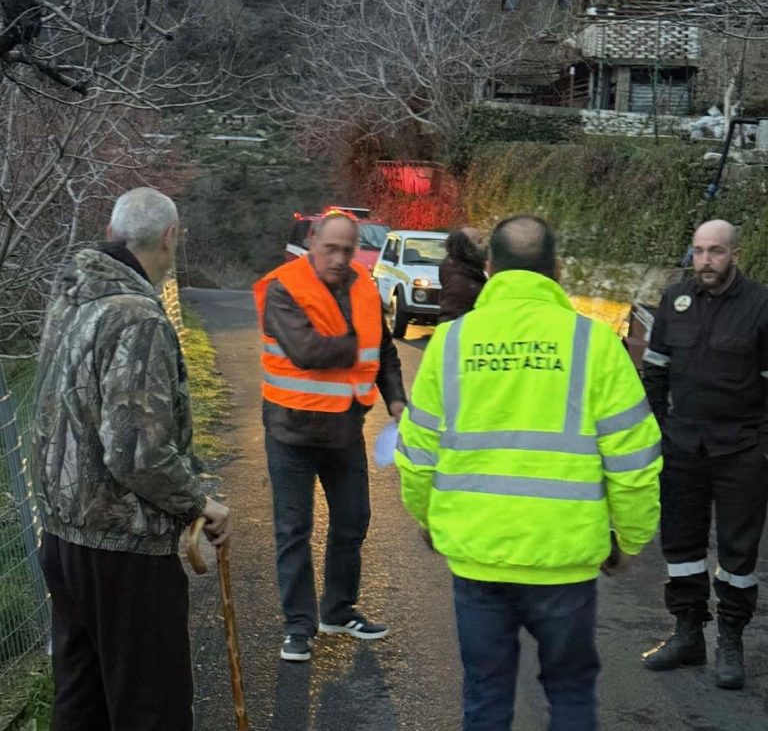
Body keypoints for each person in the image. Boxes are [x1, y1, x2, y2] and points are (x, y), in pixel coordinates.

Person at [396, 215, 662, 731]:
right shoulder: (596, 344)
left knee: (486, 696)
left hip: (478, 558)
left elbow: (416, 451)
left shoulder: (449, 343)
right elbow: (635, 461)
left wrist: (427, 516)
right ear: (557, 270)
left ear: (491, 268)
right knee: (569, 693)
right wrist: (629, 538)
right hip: (565, 561)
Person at [32, 187, 231, 731]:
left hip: (64, 534)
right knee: (152, 706)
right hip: (125, 547)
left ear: (115, 234)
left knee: (81, 700)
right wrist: (200, 502)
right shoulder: (137, 318)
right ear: (169, 238)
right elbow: (136, 452)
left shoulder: (73, 299)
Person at [254, 212, 406, 662]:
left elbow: (385, 351)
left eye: (348, 249)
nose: (340, 258)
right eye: (331, 249)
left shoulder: (364, 284)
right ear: (311, 243)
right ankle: (299, 627)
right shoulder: (282, 287)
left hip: (343, 430)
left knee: (353, 522)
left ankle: (338, 611)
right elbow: (308, 352)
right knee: (293, 530)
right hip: (291, 432)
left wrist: (395, 398)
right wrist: (359, 340)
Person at [641, 219, 768, 689]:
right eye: (698, 251)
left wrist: (763, 448)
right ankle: (687, 633)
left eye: (715, 251)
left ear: (735, 253)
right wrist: (655, 428)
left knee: (738, 554)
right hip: (682, 448)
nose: (705, 261)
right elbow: (654, 372)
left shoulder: (761, 304)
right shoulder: (675, 301)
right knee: (681, 547)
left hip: (740, 450)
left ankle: (730, 641)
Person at [438, 226, 487, 323]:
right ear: (467, 249)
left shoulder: (470, 272)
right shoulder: (460, 284)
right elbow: (451, 320)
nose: (485, 244)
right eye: (480, 241)